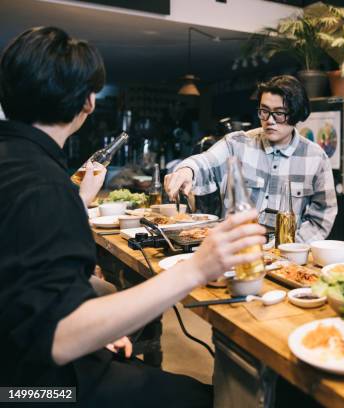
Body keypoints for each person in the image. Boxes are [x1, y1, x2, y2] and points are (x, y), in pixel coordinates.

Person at [0, 26, 266, 406]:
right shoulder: (44, 187)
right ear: (88, 103)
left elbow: (26, 294)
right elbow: (57, 336)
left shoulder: (16, 164)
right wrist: (197, 268)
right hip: (30, 392)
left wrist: (94, 326)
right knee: (213, 400)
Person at [164, 75, 338, 243]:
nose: (269, 120)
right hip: (236, 253)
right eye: (264, 111)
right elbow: (206, 161)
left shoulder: (316, 158)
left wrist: (293, 246)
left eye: (279, 113)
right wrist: (187, 170)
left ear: (296, 113)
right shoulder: (237, 144)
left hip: (286, 260)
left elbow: (323, 215)